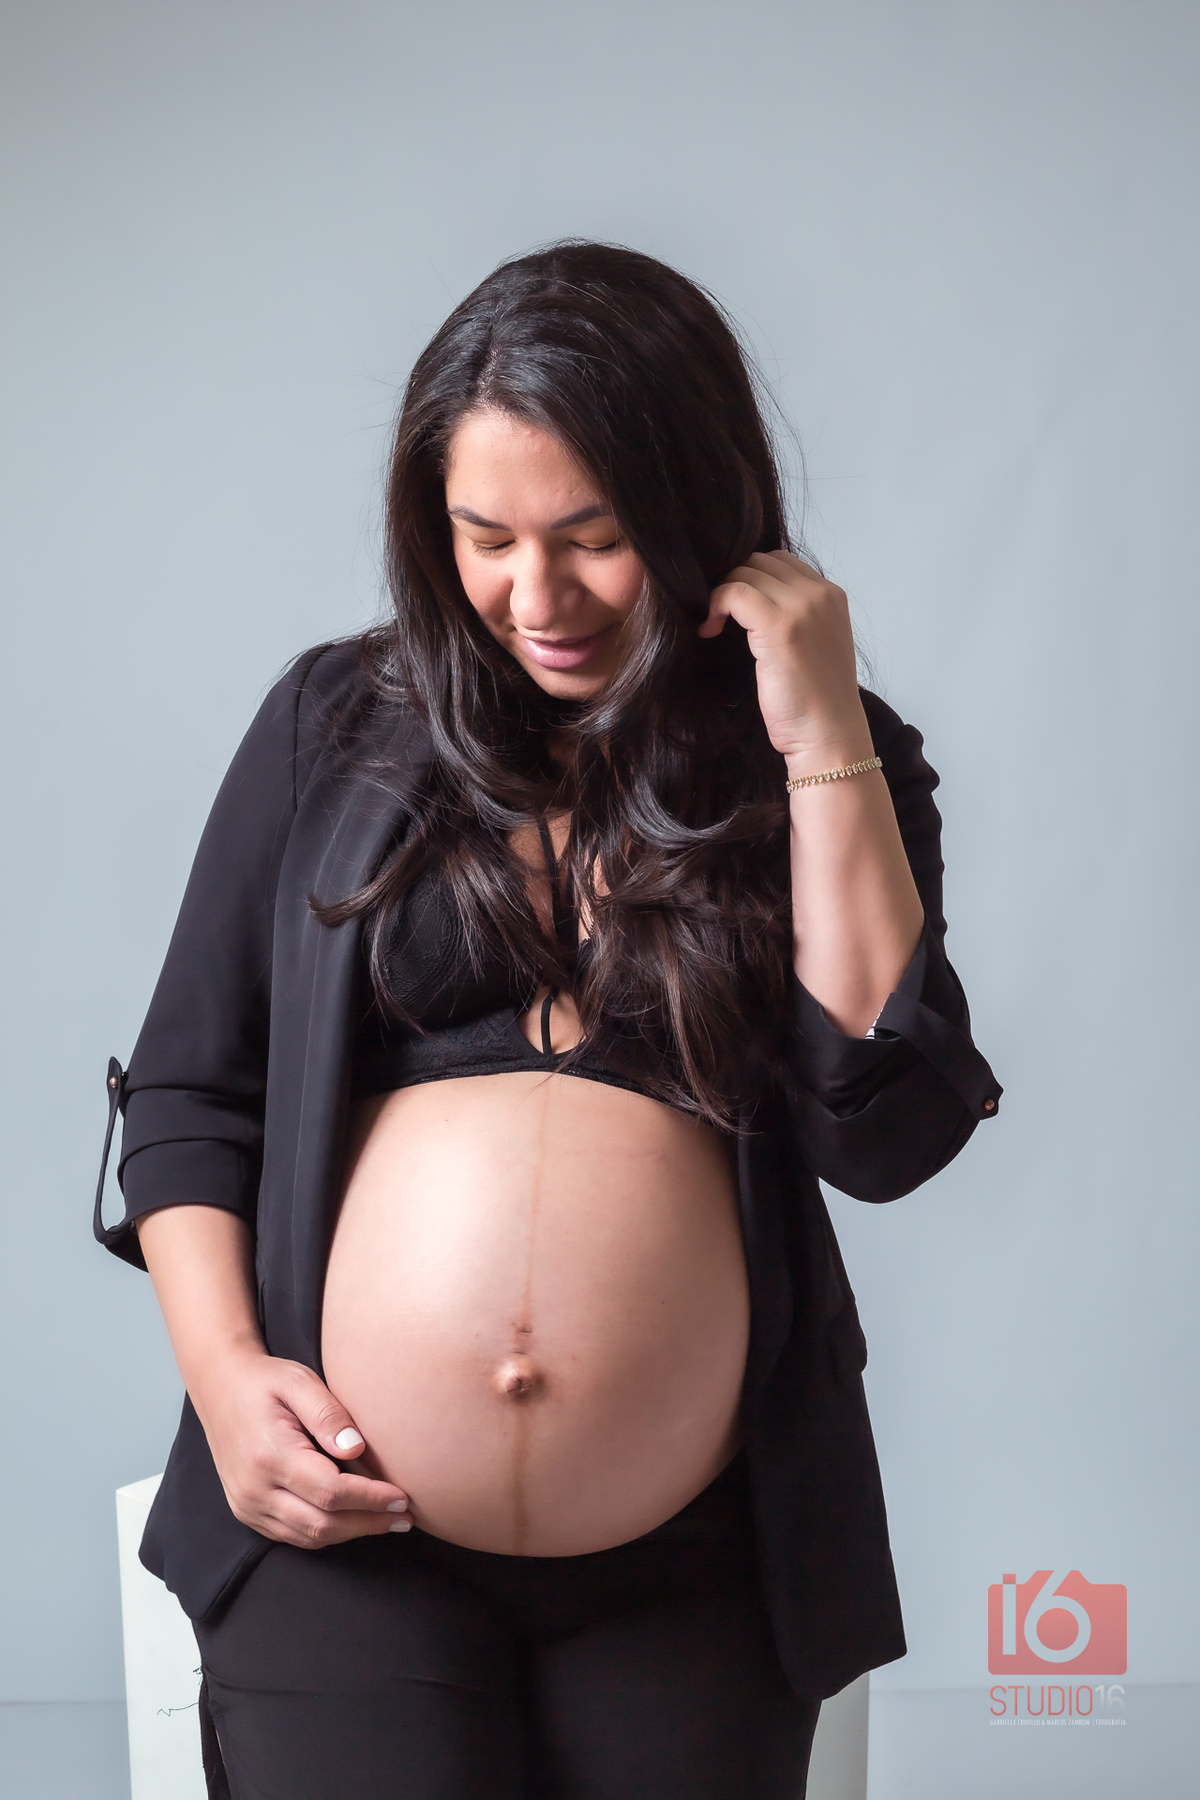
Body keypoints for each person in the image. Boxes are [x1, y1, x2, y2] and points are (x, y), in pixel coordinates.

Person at [95, 241, 1000, 1800]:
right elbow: (190, 1095)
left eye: (596, 539)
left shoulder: (822, 761)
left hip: (697, 1557)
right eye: (487, 538)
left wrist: (823, 736)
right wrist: (231, 1380)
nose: (539, 596)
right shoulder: (333, 726)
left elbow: (886, 1126)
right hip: (346, 1537)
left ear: (697, 512)